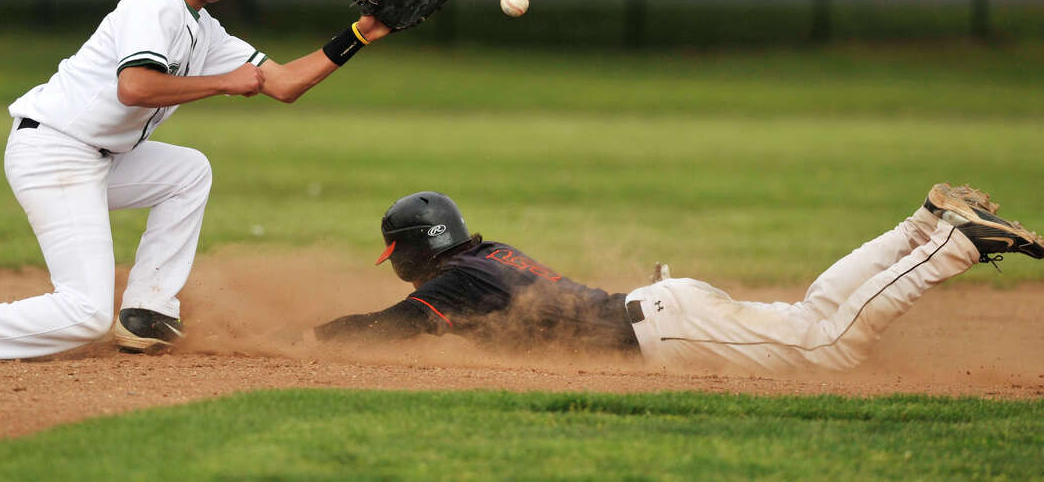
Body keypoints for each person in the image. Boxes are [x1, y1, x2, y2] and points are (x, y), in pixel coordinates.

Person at [0, 0, 404, 361]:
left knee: (186, 171)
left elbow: (285, 82)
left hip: (97, 156)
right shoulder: (149, 6)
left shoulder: (202, 28)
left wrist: (362, 33)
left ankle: (147, 313)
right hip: (54, 151)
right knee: (84, 314)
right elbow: (133, 86)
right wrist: (223, 83)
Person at [310, 184, 1043, 373]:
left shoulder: (455, 283)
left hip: (662, 327)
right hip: (663, 311)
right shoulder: (486, 252)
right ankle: (919, 224)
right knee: (814, 314)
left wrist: (303, 337)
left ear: (407, 252)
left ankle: (950, 242)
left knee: (830, 348)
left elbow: (393, 326)